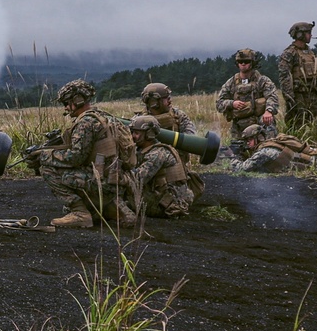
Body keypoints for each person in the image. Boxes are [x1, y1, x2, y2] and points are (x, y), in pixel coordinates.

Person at [26, 79, 137, 228]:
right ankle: (109, 207)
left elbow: (75, 157)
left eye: (67, 103)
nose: (66, 108)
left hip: (101, 182)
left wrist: (43, 156)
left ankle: (80, 213)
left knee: (47, 168)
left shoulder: (85, 123)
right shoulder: (104, 117)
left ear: (77, 100)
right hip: (115, 180)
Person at [128, 115, 193, 218]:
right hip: (164, 198)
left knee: (124, 198)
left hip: (168, 205)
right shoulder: (146, 149)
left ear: (149, 134)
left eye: (136, 133)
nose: (133, 136)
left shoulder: (157, 153)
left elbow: (137, 180)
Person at [215, 48, 280, 149]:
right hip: (239, 126)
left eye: (247, 61)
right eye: (240, 62)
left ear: (252, 62)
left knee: (268, 149)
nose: (243, 64)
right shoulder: (231, 83)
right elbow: (219, 103)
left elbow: (273, 96)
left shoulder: (262, 80)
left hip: (260, 124)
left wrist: (269, 111)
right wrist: (232, 103)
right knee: (237, 154)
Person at [278, 21, 317, 129]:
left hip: (314, 96)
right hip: (298, 98)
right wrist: (290, 99)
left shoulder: (310, 53)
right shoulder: (289, 53)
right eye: (308, 32)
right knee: (298, 127)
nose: (310, 35)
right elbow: (284, 77)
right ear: (300, 34)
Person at [229, 125, 317, 173]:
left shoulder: (263, 152)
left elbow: (241, 168)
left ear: (258, 138)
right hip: (311, 161)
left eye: (249, 140)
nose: (248, 143)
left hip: (311, 164)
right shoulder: (270, 143)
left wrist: (232, 157)